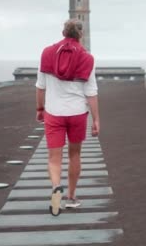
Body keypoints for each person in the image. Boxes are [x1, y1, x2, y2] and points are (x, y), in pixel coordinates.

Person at [35, 19, 100, 216]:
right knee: (75, 155)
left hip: (54, 113)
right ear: (80, 34)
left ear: (63, 32)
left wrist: (40, 108)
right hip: (77, 113)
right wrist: (96, 119)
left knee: (54, 158)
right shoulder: (87, 58)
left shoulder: (47, 53)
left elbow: (40, 86)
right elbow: (91, 92)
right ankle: (71, 197)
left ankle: (56, 188)